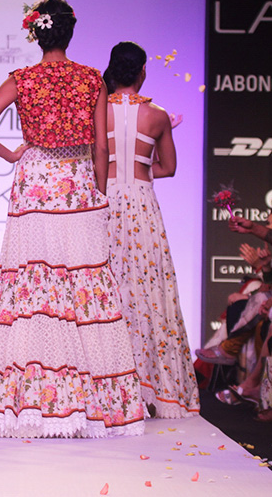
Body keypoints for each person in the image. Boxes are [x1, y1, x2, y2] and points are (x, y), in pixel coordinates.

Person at [0, 0, 145, 438]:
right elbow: (101, 147)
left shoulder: (22, 79)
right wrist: (99, 194)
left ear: (36, 33)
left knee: (35, 290)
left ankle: (31, 400)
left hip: (35, 184)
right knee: (82, 289)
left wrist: (12, 155)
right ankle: (88, 404)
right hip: (78, 185)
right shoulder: (91, 79)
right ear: (70, 32)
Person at [102, 41, 199, 418]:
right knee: (147, 288)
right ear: (142, 71)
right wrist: (142, 166)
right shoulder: (157, 116)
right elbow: (168, 168)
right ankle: (152, 388)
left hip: (105, 199)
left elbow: (92, 160)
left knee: (107, 285)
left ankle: (108, 387)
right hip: (141, 204)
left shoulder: (97, 110)